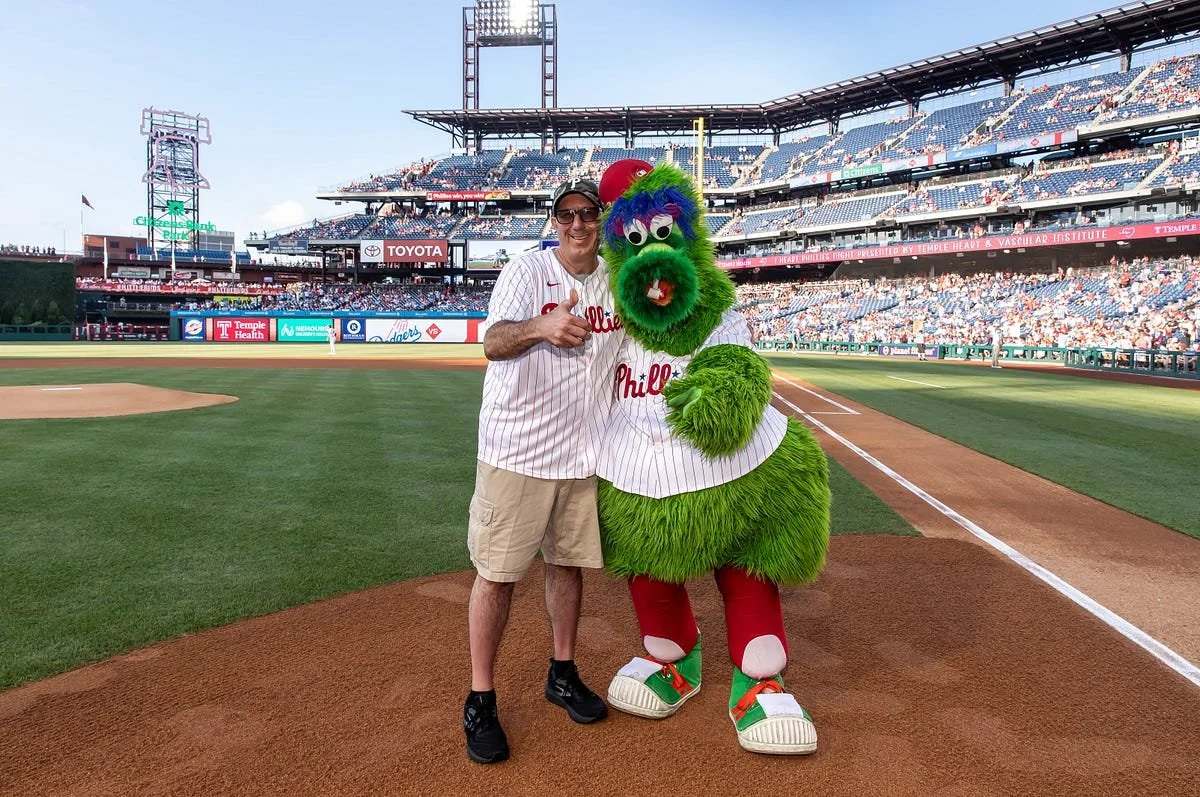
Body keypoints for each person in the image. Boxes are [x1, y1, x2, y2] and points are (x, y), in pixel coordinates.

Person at [463, 176, 624, 764]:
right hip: (518, 453)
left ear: (602, 218)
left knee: (568, 567)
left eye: (588, 213)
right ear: (554, 222)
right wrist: (541, 327)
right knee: (497, 575)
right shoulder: (526, 270)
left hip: (581, 454)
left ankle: (562, 671)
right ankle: (481, 697)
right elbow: (492, 342)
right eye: (566, 214)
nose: (578, 223)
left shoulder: (614, 282)